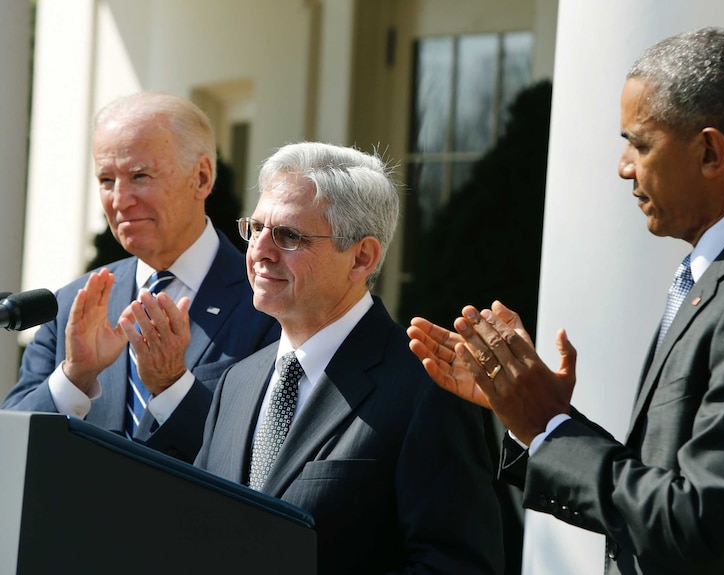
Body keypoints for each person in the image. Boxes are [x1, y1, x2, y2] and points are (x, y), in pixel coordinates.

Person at [407, 27, 724, 574]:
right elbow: (667, 483)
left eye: (640, 144)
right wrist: (537, 421)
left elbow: (700, 526)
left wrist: (551, 427)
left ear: (711, 152)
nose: (624, 165)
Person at [194, 142, 504, 574]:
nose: (260, 250)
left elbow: (457, 567)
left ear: (362, 257)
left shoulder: (427, 388)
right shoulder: (238, 381)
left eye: (288, 236)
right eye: (255, 228)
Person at [2, 92, 280, 463]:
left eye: (140, 176)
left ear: (201, 178)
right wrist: (75, 377)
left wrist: (172, 386)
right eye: (105, 179)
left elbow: (263, 460)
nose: (119, 200)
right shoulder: (72, 303)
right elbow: (11, 445)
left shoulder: (269, 300)